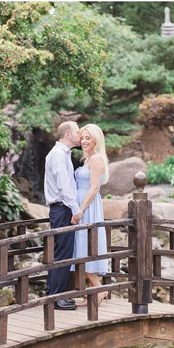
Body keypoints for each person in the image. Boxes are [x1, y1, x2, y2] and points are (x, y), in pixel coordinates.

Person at [44, 121, 82, 310]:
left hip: (61, 207)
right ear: (68, 134)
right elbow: (63, 185)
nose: (80, 134)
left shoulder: (62, 153)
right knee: (62, 253)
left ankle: (55, 294)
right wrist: (75, 208)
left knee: (62, 251)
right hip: (62, 208)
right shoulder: (58, 155)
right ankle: (56, 297)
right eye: (77, 131)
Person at [70, 123, 110, 306]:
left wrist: (80, 210)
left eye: (88, 138)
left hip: (88, 205)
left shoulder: (96, 159)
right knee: (81, 246)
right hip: (81, 201)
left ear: (96, 140)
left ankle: (99, 289)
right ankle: (95, 289)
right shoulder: (87, 158)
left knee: (86, 246)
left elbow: (94, 188)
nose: (84, 141)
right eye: (83, 138)